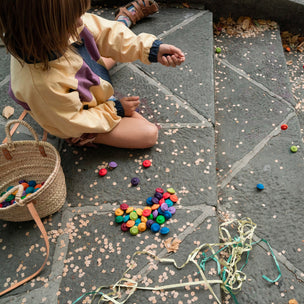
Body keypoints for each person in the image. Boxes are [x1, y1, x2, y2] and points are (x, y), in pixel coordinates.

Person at [0, 0, 185, 148]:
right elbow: (73, 121)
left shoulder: (54, 27)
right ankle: (87, 137)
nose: (81, 21)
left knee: (114, 48)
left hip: (78, 71)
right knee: (148, 134)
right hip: (71, 117)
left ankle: (123, 21)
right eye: (74, 19)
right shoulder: (42, 85)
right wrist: (115, 109)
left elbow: (106, 33)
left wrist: (151, 49)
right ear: (43, 31)